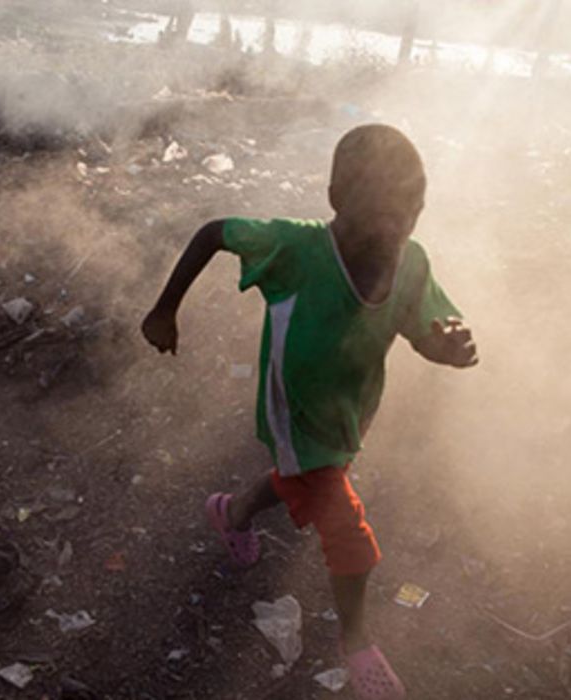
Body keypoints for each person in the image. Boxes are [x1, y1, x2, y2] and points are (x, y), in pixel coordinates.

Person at [141, 124, 478, 700]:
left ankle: (233, 511)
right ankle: (357, 644)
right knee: (349, 532)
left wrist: (447, 348)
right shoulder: (295, 248)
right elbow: (213, 232)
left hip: (350, 410)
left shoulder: (411, 262)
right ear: (336, 201)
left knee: (306, 478)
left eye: (411, 212)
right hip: (293, 410)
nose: (395, 228)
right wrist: (164, 310)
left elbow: (425, 328)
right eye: (381, 212)